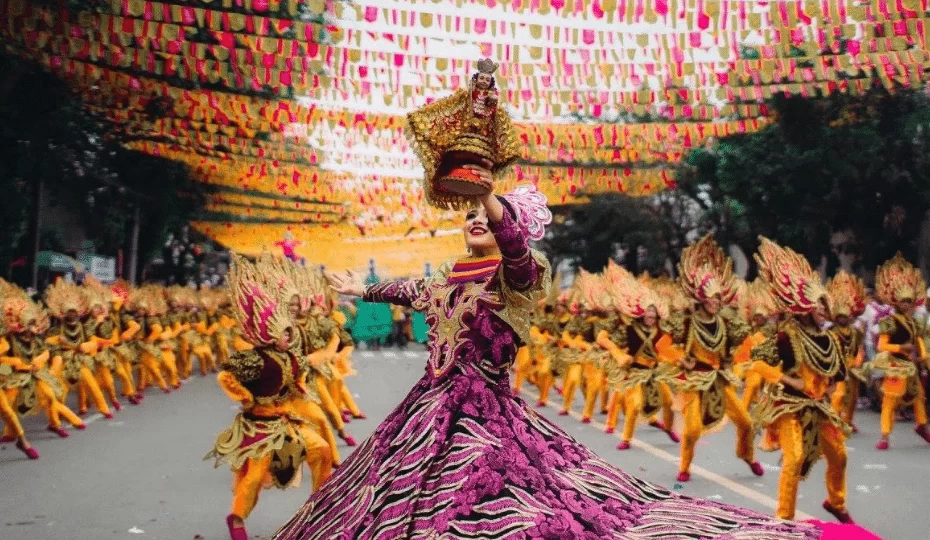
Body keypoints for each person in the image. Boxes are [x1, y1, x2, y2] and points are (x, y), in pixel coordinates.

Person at [272, 169, 877, 539]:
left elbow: (509, 242)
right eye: (465, 215)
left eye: (480, 215)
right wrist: (363, 288)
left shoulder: (520, 274)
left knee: (498, 500)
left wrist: (489, 198)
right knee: (396, 500)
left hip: (486, 414)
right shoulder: (448, 283)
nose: (472, 221)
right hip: (428, 409)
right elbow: (408, 291)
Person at [748, 238, 853, 523]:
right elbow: (756, 362)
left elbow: (838, 373)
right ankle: (784, 520)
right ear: (806, 308)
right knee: (793, 460)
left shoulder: (830, 337)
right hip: (789, 406)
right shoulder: (787, 336)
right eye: (818, 306)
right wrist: (789, 380)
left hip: (817, 407)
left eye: (824, 306)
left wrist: (830, 387)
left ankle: (836, 502)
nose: (822, 310)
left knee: (840, 456)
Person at [871, 253, 930, 450]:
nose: (906, 304)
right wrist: (900, 348)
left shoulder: (915, 323)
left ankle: (922, 426)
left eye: (909, 301)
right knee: (890, 400)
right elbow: (881, 346)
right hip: (895, 364)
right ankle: (885, 436)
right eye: (903, 301)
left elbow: (919, 340)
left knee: (919, 397)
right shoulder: (889, 322)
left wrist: (923, 357)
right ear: (896, 302)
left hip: (911, 366)